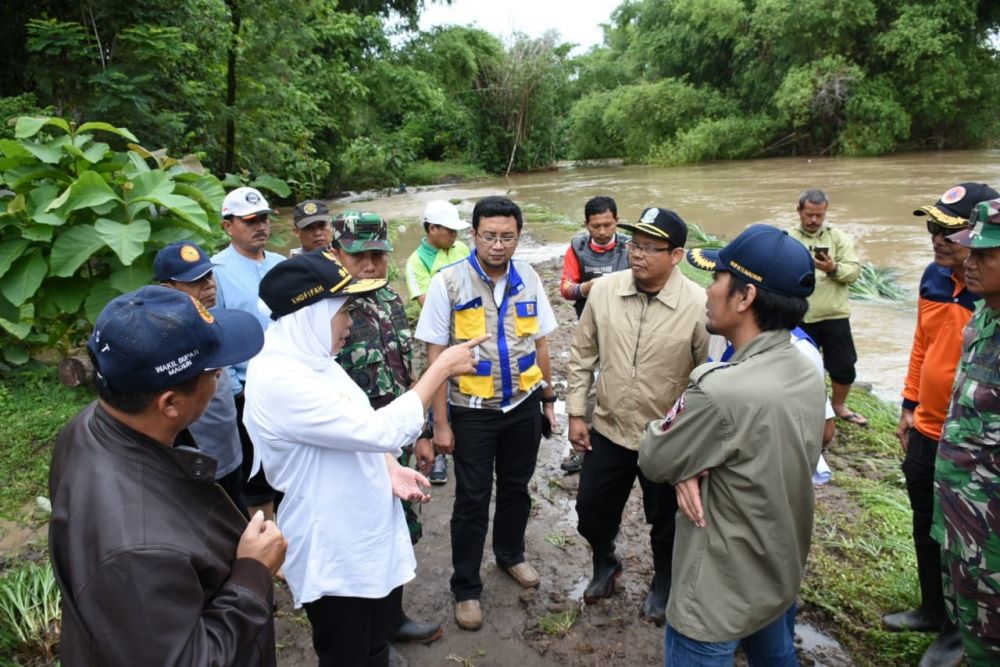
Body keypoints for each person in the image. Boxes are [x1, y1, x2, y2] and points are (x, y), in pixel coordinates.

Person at [242, 251, 485, 667]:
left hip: (361, 530)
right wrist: (440, 368)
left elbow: (356, 423)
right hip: (334, 546)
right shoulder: (281, 379)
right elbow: (380, 431)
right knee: (346, 654)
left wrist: (388, 467)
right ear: (310, 315)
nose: (350, 324)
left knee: (373, 645)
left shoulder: (316, 360)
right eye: (342, 313)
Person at [49, 286, 285, 665]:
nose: (221, 378)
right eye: (215, 372)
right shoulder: (138, 551)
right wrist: (252, 574)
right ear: (170, 403)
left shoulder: (89, 426)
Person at [640, 224, 826, 664]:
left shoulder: (721, 389)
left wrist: (688, 462)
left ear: (745, 298)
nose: (707, 291)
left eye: (717, 279)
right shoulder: (805, 368)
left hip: (718, 586)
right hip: (776, 566)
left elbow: (654, 456)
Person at [415, 195, 558, 631]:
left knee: (517, 488)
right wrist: (439, 423)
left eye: (507, 237)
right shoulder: (448, 282)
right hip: (471, 410)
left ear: (518, 237)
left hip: (523, 405)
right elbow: (435, 355)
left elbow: (542, 343)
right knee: (472, 499)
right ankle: (466, 587)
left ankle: (510, 555)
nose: (498, 245)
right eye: (489, 236)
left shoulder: (529, 277)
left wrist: (549, 400)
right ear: (473, 235)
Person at [566, 206, 708, 625]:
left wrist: (694, 444)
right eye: (635, 245)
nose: (637, 254)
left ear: (677, 255)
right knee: (590, 511)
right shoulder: (605, 291)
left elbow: (708, 381)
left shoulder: (698, 306)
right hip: (609, 427)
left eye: (650, 247)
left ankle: (663, 582)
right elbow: (581, 355)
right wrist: (577, 413)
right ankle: (605, 562)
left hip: (666, 436)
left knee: (666, 521)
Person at [884, 183, 998, 666]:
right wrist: (909, 404)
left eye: (949, 230)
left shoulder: (985, 294)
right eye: (933, 228)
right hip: (933, 429)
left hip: (978, 453)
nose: (938, 239)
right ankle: (937, 610)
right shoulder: (934, 278)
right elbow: (921, 345)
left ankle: (962, 631)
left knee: (972, 545)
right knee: (930, 527)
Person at [328, 212, 443, 645]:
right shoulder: (324, 311)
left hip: (400, 440)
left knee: (400, 532)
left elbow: (410, 373)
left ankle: (391, 620)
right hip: (354, 449)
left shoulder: (390, 301)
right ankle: (371, 637)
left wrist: (424, 433)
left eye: (378, 254)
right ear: (335, 253)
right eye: (360, 256)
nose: (371, 264)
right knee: (363, 543)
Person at [931, 198, 1000, 666]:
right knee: (971, 629)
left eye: (984, 256)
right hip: (960, 519)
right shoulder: (984, 318)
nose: (969, 264)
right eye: (968, 252)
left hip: (993, 537)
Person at [154, 241, 247, 514]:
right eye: (195, 281)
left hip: (228, 442)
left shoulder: (208, 320)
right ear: (168, 290)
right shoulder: (167, 339)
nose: (209, 285)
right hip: (201, 455)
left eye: (209, 275)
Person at [213, 186, 285, 519]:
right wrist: (236, 391)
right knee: (256, 476)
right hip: (248, 389)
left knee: (291, 462)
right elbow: (216, 336)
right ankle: (268, 550)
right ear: (228, 225)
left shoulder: (282, 265)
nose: (261, 226)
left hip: (289, 382)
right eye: (250, 220)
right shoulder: (217, 273)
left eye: (264, 219)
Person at [558, 195, 631, 474]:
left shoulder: (630, 246)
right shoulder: (576, 248)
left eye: (608, 225)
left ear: (617, 221)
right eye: (596, 226)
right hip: (591, 327)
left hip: (628, 327)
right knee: (585, 381)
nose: (602, 232)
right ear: (586, 224)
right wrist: (590, 288)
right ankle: (582, 448)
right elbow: (566, 288)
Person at [405, 199, 473, 485]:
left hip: (467, 330)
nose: (455, 236)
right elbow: (426, 303)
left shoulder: (461, 249)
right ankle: (436, 449)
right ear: (432, 229)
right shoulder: (416, 261)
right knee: (432, 387)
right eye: (449, 230)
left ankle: (466, 438)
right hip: (436, 334)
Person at [788, 188, 866, 426]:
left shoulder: (838, 238)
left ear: (825, 213)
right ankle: (801, 408)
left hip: (834, 314)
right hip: (798, 315)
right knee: (798, 367)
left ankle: (838, 405)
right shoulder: (788, 238)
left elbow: (854, 272)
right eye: (809, 214)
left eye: (819, 215)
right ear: (799, 211)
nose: (813, 220)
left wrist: (832, 268)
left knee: (843, 364)